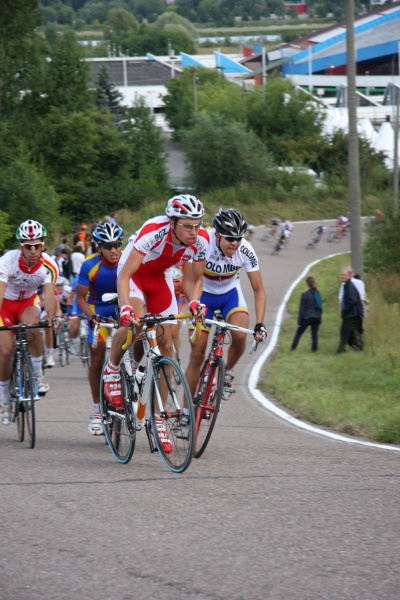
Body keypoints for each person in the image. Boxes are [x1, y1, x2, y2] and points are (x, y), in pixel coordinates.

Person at [102, 194, 209, 451]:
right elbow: (126, 274)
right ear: (172, 222)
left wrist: (194, 302)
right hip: (134, 275)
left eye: (197, 225)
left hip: (159, 277)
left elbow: (194, 279)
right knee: (134, 322)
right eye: (187, 225)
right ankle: (113, 368)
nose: (193, 231)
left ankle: (158, 420)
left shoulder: (202, 240)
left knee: (168, 343)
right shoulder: (154, 231)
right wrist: (126, 306)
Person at [185, 208, 267, 402]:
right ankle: (186, 411)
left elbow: (259, 290)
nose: (235, 243)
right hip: (203, 295)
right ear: (218, 235)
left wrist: (260, 323)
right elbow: (189, 281)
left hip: (230, 294)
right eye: (230, 239)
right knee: (197, 353)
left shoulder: (245, 249)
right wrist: (193, 304)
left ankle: (227, 372)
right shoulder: (203, 243)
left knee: (239, 335)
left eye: (238, 238)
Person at [0, 220, 58, 425]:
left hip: (27, 303)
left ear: (43, 245)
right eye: (28, 246)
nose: (33, 251)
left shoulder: (49, 264)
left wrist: (51, 317)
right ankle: (4, 398)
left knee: (33, 327)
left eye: (37, 246)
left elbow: (49, 295)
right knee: (5, 351)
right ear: (21, 246)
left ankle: (38, 375)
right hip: (5, 305)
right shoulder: (8, 261)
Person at [76, 222, 124, 436]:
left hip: (121, 307)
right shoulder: (89, 265)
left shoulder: (127, 260)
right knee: (96, 357)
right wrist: (91, 317)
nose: (114, 250)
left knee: (132, 346)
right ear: (99, 247)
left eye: (117, 245)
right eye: (108, 246)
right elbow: (80, 297)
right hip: (98, 309)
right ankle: (97, 410)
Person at [290, 276, 322, 352]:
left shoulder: (305, 295)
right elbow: (320, 307)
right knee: (314, 334)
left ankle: (293, 348)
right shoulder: (317, 293)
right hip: (316, 317)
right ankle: (314, 349)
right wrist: (319, 318)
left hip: (307, 317)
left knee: (298, 334)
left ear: (307, 284)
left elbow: (302, 309)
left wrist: (299, 322)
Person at [337, 267, 364, 354]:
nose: (342, 276)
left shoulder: (350, 286)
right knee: (353, 332)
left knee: (345, 331)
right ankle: (357, 347)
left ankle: (341, 350)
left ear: (349, 276)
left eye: (344, 275)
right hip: (353, 313)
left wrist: (345, 310)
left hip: (352, 313)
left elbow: (352, 301)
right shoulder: (346, 285)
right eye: (342, 274)